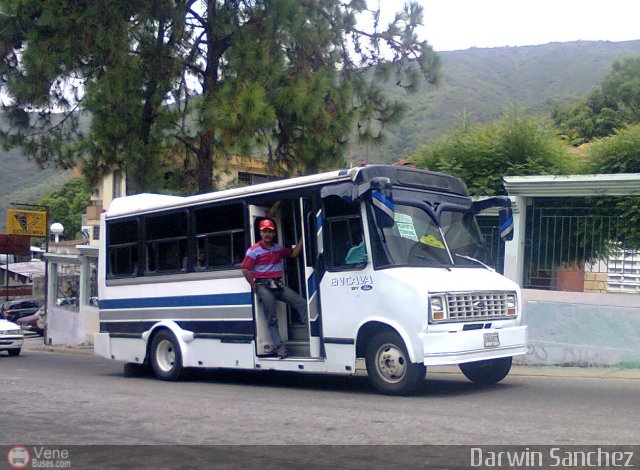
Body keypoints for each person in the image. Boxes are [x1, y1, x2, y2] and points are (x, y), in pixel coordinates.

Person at [241, 218, 307, 358]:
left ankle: (312, 332)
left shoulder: (278, 248)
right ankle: (280, 348)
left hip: (277, 284)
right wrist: (255, 286)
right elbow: (245, 269)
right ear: (260, 233)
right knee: (272, 318)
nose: (267, 234)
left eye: (270, 231)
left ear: (274, 233)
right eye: (265, 231)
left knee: (301, 302)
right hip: (263, 285)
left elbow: (294, 253)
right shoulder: (254, 251)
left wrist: (303, 238)